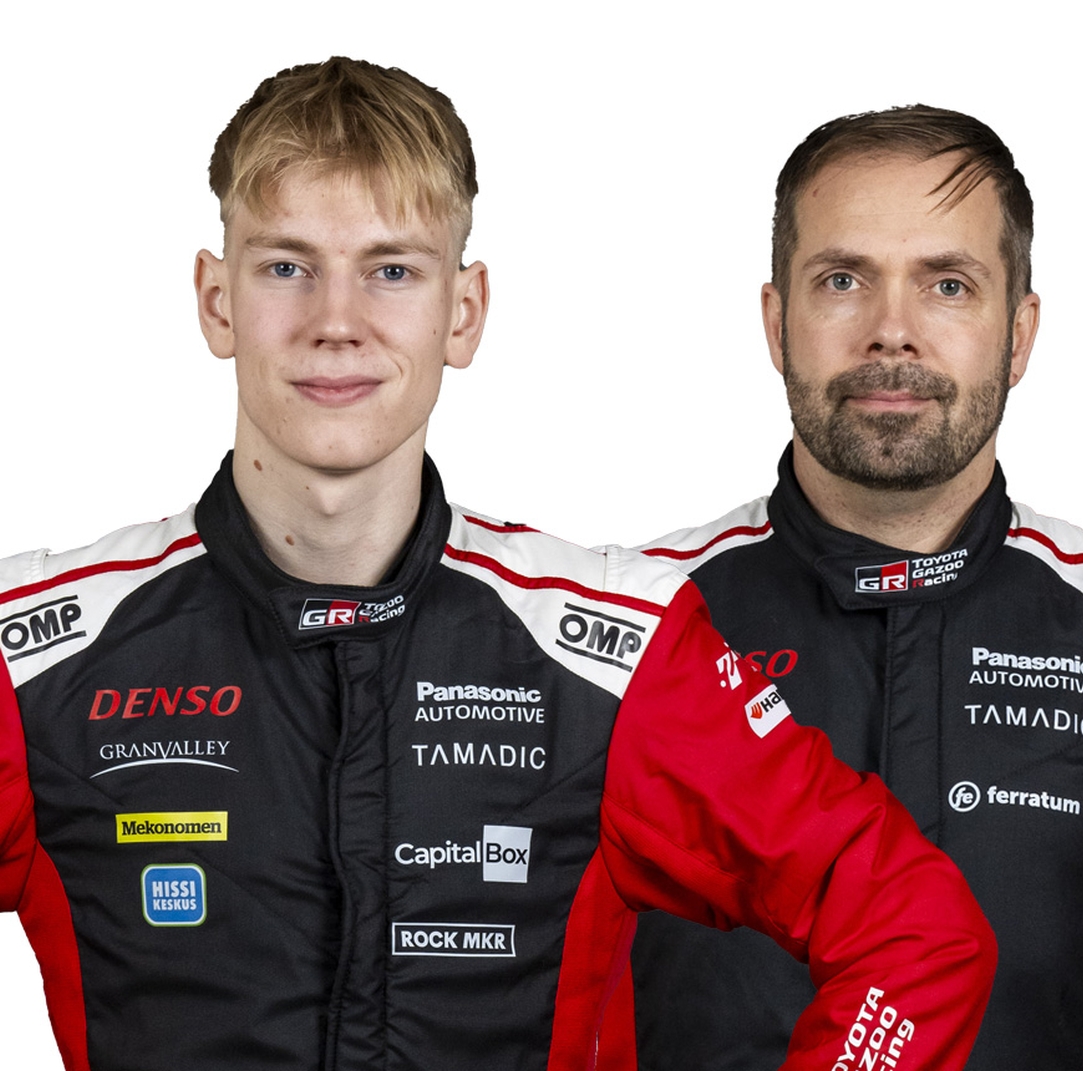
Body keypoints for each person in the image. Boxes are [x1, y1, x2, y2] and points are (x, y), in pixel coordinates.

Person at [0, 62, 995, 1071]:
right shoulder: (32, 657)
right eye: (287, 267)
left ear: (463, 311)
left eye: (392, 270)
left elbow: (913, 929)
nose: (335, 320)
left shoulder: (616, 656)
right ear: (217, 301)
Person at [619, 106, 1083, 1071]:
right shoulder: (624, 632)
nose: (892, 332)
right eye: (843, 280)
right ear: (776, 323)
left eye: (948, 285)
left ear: (1019, 335)